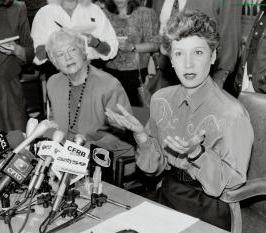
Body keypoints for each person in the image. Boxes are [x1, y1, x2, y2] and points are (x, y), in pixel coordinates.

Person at [105, 11, 254, 231]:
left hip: (211, 208)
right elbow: (154, 169)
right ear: (171, 59)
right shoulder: (161, 99)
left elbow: (230, 186)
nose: (188, 64)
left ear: (212, 57)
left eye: (198, 52)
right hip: (168, 192)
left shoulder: (231, 114)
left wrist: (197, 154)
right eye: (179, 54)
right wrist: (141, 136)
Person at [45, 29, 134, 164]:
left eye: (72, 50)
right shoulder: (53, 83)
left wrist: (82, 151)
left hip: (102, 159)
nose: (68, 57)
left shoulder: (109, 85)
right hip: (63, 156)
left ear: (83, 52)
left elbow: (122, 134)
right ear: (54, 62)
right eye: (60, 54)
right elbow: (53, 120)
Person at [152, 0, 242, 90]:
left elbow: (231, 36)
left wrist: (220, 77)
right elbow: (162, 28)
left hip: (204, 74)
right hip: (167, 70)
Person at [0, 0, 34, 134]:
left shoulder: (17, 7)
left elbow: (29, 54)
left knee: (19, 147)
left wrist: (16, 49)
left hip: (12, 93)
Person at [103, 0, 160, 106]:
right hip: (110, 72)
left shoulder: (145, 13)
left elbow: (155, 44)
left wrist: (133, 47)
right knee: (113, 112)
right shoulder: (104, 14)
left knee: (136, 112)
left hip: (136, 73)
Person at [31, 0, 118, 66]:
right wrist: (58, 45)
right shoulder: (44, 13)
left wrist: (96, 43)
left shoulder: (95, 10)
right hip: (57, 72)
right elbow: (36, 54)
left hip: (91, 69)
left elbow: (110, 51)